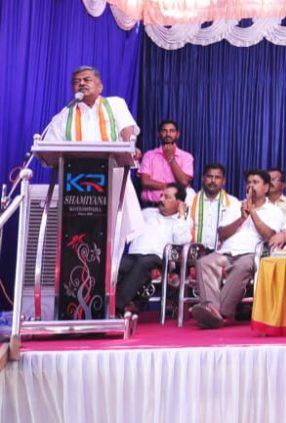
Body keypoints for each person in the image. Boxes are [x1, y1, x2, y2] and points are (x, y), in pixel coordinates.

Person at [42, 66, 144, 241]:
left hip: (113, 178)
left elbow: (127, 130)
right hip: (77, 185)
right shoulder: (65, 114)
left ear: (100, 87)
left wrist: (130, 145)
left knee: (112, 237)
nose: (81, 83)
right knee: (79, 239)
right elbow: (50, 147)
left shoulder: (114, 104)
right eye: (76, 81)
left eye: (86, 79)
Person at [191, 170, 283, 329]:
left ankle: (219, 312)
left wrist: (253, 213)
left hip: (251, 254)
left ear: (266, 187)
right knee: (204, 262)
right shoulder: (234, 207)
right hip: (226, 252)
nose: (251, 185)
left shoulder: (274, 210)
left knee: (243, 266)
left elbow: (269, 236)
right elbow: (222, 235)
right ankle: (212, 309)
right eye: (249, 182)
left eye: (256, 182)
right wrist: (241, 218)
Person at [115, 183, 191, 315]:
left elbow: (183, 241)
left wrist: (181, 215)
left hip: (159, 259)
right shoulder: (147, 213)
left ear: (179, 202)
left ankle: (116, 307)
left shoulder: (182, 221)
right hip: (135, 255)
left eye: (167, 197)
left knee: (144, 263)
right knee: (117, 266)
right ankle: (106, 305)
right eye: (161, 195)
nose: (161, 199)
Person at [137, 120, 194, 207]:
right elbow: (145, 182)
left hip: (175, 208)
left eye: (172, 131)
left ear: (177, 134)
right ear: (159, 134)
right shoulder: (149, 155)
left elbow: (184, 182)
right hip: (150, 206)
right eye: (164, 131)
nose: (168, 134)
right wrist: (173, 186)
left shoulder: (186, 157)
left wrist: (170, 158)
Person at [186, 163, 239, 252]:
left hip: (221, 254)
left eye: (217, 177)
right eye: (209, 176)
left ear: (223, 181)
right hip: (195, 253)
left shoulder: (233, 203)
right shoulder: (190, 201)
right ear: (203, 179)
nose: (213, 181)